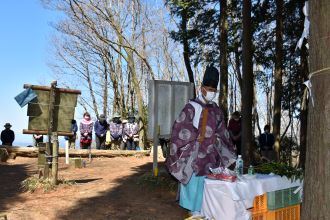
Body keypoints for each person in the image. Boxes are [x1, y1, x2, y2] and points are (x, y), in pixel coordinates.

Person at [166, 66, 236, 217]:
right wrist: (196, 138)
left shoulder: (217, 110)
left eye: (213, 90)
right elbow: (180, 128)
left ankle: (205, 207)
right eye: (208, 88)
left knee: (207, 182)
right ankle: (193, 209)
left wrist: (218, 141)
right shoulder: (192, 107)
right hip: (194, 152)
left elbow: (222, 130)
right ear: (202, 88)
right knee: (194, 181)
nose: (211, 92)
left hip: (211, 153)